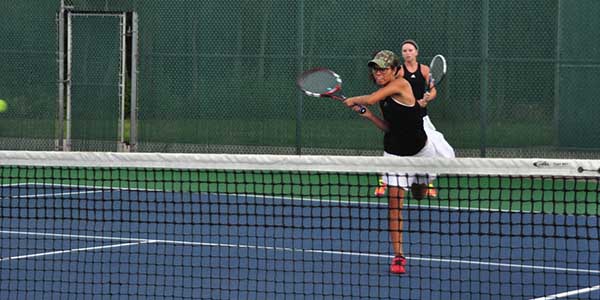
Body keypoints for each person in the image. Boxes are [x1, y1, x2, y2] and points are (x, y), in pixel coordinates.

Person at [344, 50, 437, 275]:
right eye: (375, 68)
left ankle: (419, 186)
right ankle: (398, 255)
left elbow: (371, 99)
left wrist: (354, 100)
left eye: (383, 68)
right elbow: (389, 127)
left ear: (395, 71)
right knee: (394, 203)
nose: (378, 73)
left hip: (422, 152)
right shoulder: (384, 97)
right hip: (395, 154)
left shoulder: (401, 85)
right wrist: (368, 116)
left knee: (419, 194)